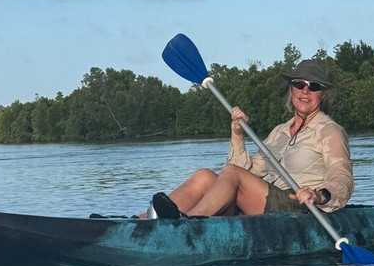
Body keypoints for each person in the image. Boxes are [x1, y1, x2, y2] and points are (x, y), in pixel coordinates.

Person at [148, 59, 354, 218]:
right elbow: (243, 173)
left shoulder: (330, 131)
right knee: (204, 176)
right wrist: (237, 134)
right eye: (299, 84)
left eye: (314, 86)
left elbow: (341, 178)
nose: (305, 91)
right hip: (268, 203)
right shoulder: (279, 132)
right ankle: (142, 220)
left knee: (231, 173)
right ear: (291, 90)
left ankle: (188, 222)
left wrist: (318, 195)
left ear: (323, 95)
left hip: (299, 209)